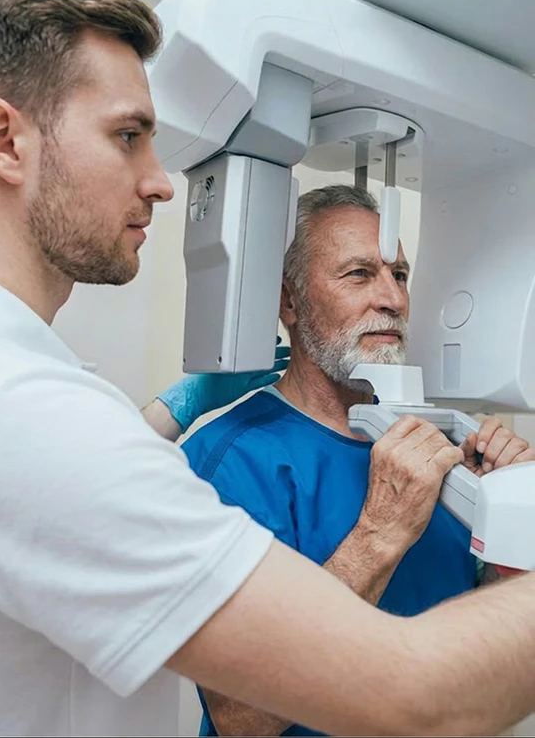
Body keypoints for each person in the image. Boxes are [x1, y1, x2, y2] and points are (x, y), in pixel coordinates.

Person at [0, 0, 535, 738]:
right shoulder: (21, 412)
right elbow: (407, 695)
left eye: (398, 273)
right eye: (128, 137)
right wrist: (383, 530)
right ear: (3, 140)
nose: (159, 183)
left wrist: (509, 519)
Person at [183, 184, 533, 736]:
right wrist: (378, 534)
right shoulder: (228, 460)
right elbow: (239, 718)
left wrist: (506, 530)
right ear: (289, 302)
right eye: (359, 275)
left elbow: (475, 645)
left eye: (399, 274)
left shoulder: (442, 446)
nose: (392, 298)